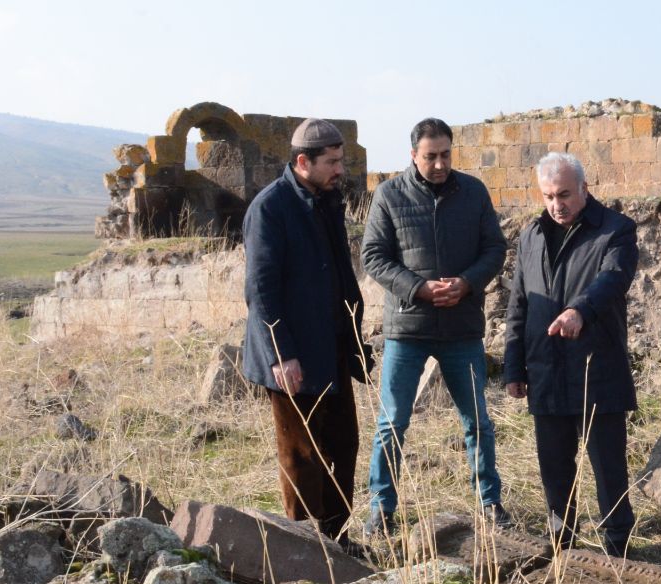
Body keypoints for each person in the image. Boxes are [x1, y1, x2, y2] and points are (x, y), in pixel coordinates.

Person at [360, 117, 509, 535]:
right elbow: (373, 256)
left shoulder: (473, 192)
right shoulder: (389, 195)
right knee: (392, 421)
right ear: (413, 155)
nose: (440, 164)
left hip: (461, 326)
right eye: (430, 156)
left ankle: (490, 502)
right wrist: (418, 289)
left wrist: (467, 283)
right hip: (408, 327)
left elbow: (494, 248)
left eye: (445, 154)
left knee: (477, 420)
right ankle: (381, 509)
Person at [241, 118, 370, 556]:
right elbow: (261, 288)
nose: (340, 170)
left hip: (332, 347)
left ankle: (337, 541)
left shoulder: (327, 200)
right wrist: (282, 354)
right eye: (332, 162)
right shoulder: (270, 207)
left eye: (341, 160)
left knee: (343, 445)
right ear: (303, 162)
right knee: (301, 457)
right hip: (292, 356)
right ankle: (303, 550)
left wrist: (353, 338)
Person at [503, 152, 638, 557]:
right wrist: (513, 366)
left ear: (584, 188)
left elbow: (613, 280)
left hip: (596, 369)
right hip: (546, 369)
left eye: (564, 194)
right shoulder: (531, 236)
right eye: (547, 196)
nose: (556, 204)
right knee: (555, 470)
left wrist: (581, 310)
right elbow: (519, 305)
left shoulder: (615, 230)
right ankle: (561, 545)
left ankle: (619, 546)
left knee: (608, 468)